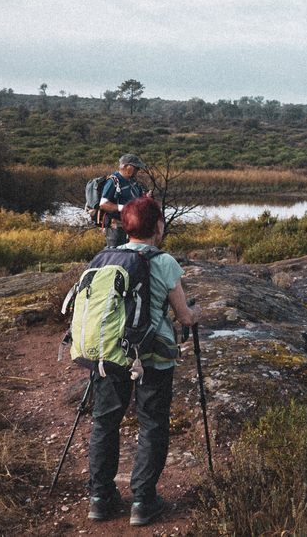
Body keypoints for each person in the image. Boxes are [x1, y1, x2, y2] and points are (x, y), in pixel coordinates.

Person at [86, 196, 199, 526]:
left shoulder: (103, 257)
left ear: (125, 226)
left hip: (110, 354)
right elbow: (183, 315)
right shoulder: (164, 263)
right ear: (159, 226)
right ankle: (143, 502)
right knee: (151, 424)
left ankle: (99, 498)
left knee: (105, 422)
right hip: (152, 356)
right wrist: (194, 314)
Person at [99, 153, 150, 247]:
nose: (137, 171)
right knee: (115, 253)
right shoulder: (113, 181)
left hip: (130, 225)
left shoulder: (133, 183)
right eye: (136, 168)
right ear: (127, 167)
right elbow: (103, 204)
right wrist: (125, 207)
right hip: (116, 226)